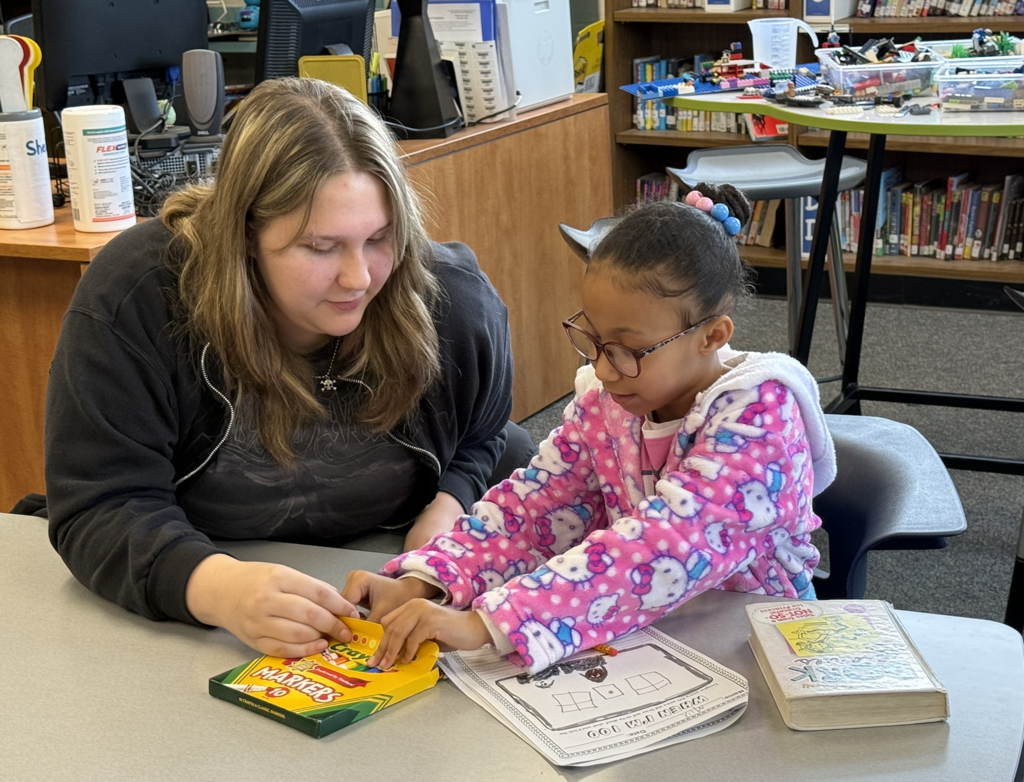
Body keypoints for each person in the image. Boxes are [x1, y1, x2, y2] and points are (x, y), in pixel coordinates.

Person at [43, 77, 534, 661]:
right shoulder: (139, 297)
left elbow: (486, 436)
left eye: (379, 238)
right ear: (246, 235)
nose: (358, 278)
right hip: (212, 566)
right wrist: (215, 587)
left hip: (395, 562)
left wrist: (448, 508)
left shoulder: (454, 300)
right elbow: (100, 503)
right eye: (321, 248)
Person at [343, 184, 837, 674]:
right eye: (593, 340)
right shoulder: (611, 402)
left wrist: (486, 622)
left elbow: (662, 546)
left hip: (761, 644)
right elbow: (533, 509)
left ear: (712, 336)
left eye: (627, 349)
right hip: (651, 638)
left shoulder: (761, 418)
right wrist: (427, 579)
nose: (602, 369)